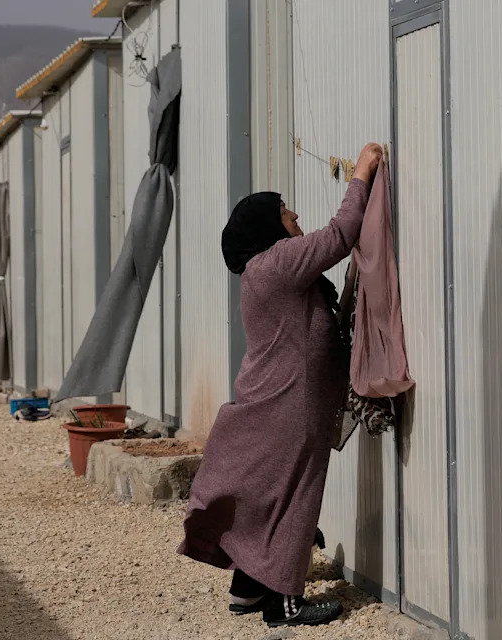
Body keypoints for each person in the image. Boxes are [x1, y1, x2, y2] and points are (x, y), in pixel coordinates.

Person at [177, 143, 384, 628]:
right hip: (291, 400)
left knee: (272, 491)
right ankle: (283, 602)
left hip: (281, 397)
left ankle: (249, 590)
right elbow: (339, 235)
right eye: (285, 212)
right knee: (294, 493)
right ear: (268, 228)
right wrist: (362, 174)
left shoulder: (264, 270)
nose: (295, 217)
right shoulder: (275, 263)